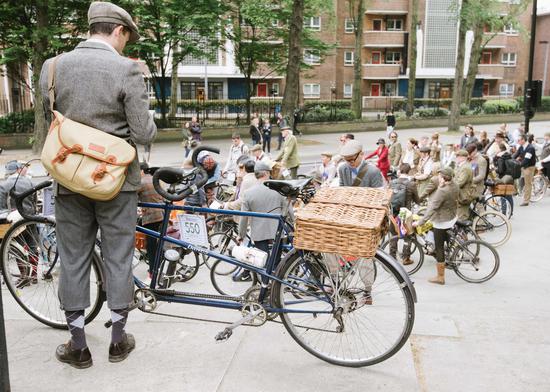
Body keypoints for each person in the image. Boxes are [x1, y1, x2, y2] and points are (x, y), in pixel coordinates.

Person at [39, 1, 157, 368]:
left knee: (73, 259)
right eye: (126, 37)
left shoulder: (53, 67)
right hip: (116, 183)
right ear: (118, 31)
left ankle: (78, 345)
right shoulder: (127, 70)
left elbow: (51, 119)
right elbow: (142, 132)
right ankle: (118, 340)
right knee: (119, 257)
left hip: (70, 178)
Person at [414, 167, 458, 285]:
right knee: (447, 242)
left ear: (443, 178)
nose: (438, 177)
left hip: (441, 221)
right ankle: (450, 256)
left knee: (439, 248)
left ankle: (440, 277)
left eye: (439, 176)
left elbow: (432, 208)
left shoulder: (442, 191)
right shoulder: (455, 185)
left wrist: (420, 222)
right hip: (451, 217)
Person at [238, 161, 292, 254]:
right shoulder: (279, 190)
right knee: (276, 262)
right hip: (277, 231)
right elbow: (288, 209)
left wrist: (241, 235)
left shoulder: (248, 193)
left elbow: (243, 217)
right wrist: (293, 225)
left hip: (258, 233)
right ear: (267, 173)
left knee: (262, 261)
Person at [389, 163, 420, 266]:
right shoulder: (411, 184)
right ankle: (406, 258)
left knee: (394, 235)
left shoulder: (392, 182)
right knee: (408, 236)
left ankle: (392, 257)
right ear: (409, 171)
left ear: (400, 171)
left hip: (394, 213)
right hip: (405, 214)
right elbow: (417, 200)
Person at [137, 162, 164, 278]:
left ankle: (153, 271)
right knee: (157, 242)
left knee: (151, 245)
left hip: (151, 216)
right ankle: (158, 265)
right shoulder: (155, 179)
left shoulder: (141, 182)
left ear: (141, 171)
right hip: (161, 215)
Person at [513, 133, 537, 206]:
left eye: (519, 140)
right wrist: (510, 160)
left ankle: (526, 201)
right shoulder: (521, 146)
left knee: (527, 184)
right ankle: (515, 191)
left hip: (529, 167)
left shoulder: (530, 148)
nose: (518, 141)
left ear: (523, 140)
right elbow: (515, 155)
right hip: (523, 166)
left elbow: (526, 159)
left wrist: (518, 165)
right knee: (513, 177)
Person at [493, 143, 515, 215]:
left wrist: (495, 170)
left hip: (503, 178)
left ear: (499, 149)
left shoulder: (500, 158)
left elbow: (501, 170)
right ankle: (511, 211)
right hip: (510, 177)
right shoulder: (509, 155)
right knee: (509, 195)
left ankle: (503, 213)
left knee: (502, 195)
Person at [454, 149, 474, 220]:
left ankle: (466, 230)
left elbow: (460, 182)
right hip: (460, 194)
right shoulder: (460, 166)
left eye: (458, 156)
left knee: (462, 217)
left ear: (463, 157)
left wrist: (449, 186)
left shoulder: (465, 168)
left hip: (464, 195)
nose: (456, 158)